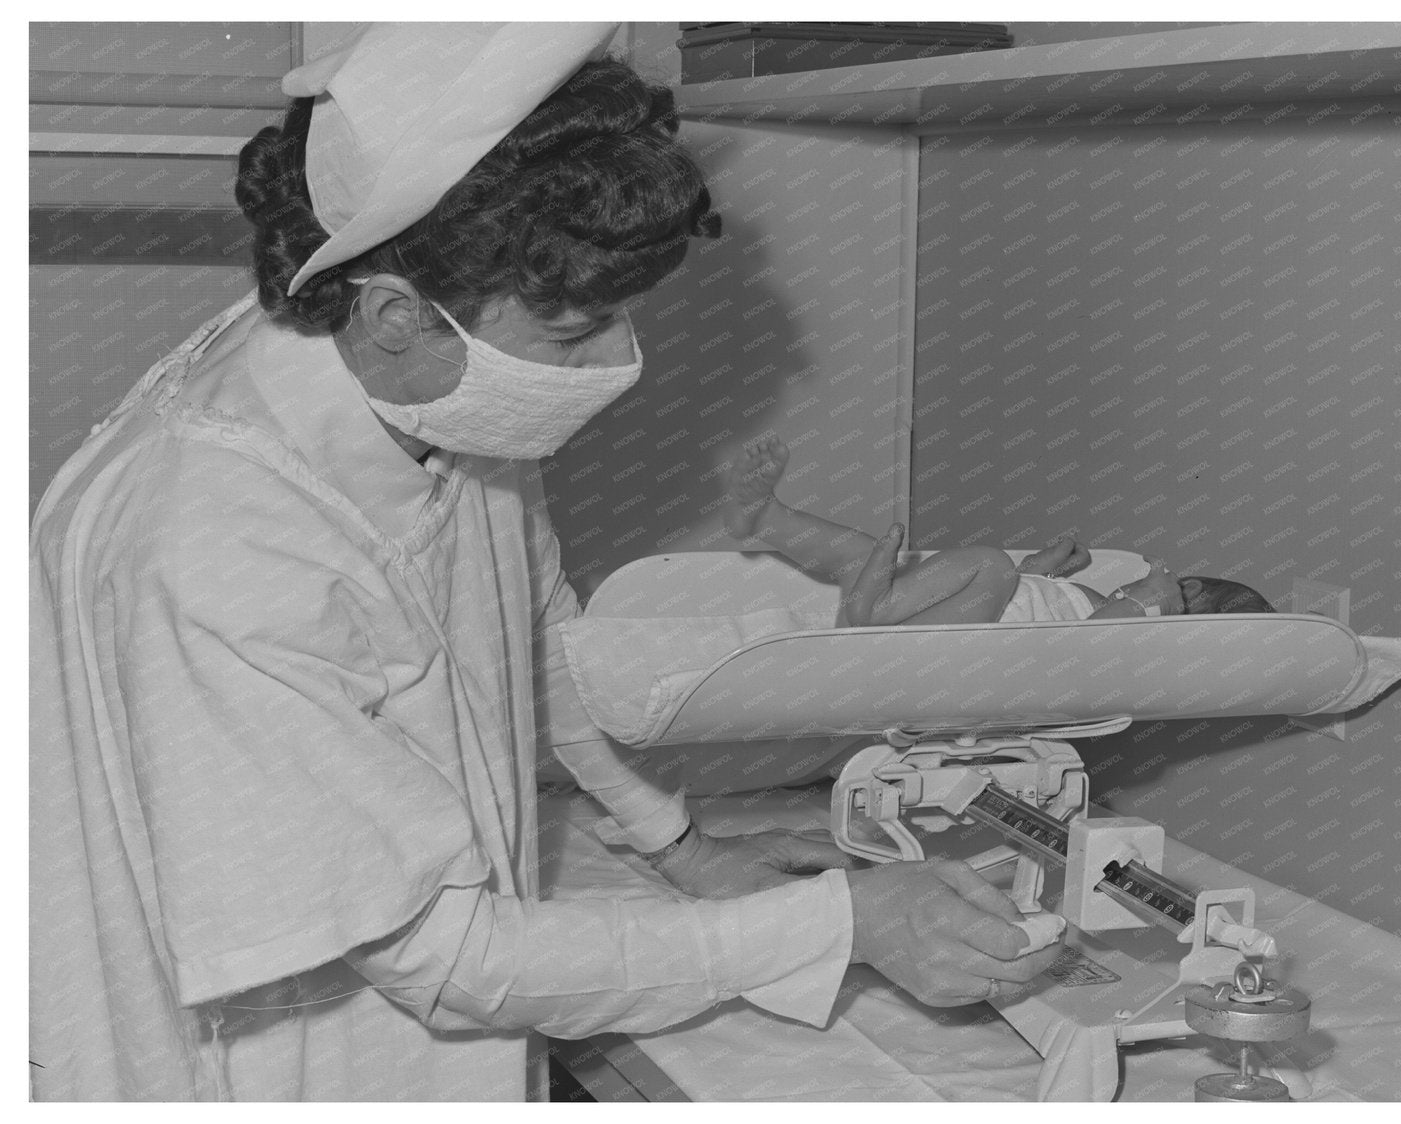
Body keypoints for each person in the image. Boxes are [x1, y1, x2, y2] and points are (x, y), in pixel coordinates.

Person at [30, 24, 1060, 1102]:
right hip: (277, 1050)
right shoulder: (219, 552)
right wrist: (836, 925)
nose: (618, 366)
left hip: (433, 995)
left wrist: (684, 847)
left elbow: (536, 646)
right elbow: (446, 954)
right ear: (393, 315)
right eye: (574, 334)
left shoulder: (430, 391)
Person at [723, 434, 1277, 627]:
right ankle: (769, 519)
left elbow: (1076, 641)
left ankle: (876, 607)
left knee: (990, 564)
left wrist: (1143, 606)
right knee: (858, 553)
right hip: (930, 613)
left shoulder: (1120, 631)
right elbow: (1030, 594)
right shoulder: (1090, 602)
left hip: (935, 637)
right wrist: (1048, 568)